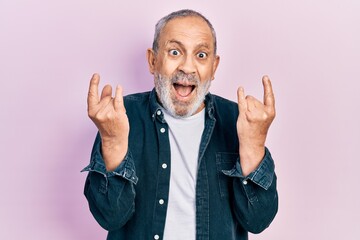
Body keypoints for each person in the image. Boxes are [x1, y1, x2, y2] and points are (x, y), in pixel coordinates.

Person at [82, 9, 278, 240]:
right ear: (153, 61)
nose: (187, 67)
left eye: (201, 55)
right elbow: (110, 216)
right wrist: (112, 141)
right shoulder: (119, 117)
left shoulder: (238, 120)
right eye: (175, 52)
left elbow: (257, 221)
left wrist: (254, 145)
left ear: (214, 67)